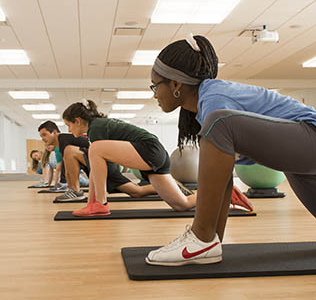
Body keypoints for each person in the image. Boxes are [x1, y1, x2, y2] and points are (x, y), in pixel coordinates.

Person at [145, 33, 316, 266]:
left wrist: (201, 236)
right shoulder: (206, 107)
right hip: (300, 157)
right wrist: (215, 239)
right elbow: (221, 175)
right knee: (219, 127)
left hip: (310, 136)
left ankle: (200, 239)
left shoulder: (214, 100)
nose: (154, 94)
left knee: (220, 122)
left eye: (156, 86)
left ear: (176, 85)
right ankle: (207, 243)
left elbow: (222, 134)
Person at [62, 100, 199, 216]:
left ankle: (100, 203)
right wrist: (89, 204)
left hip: (149, 149)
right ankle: (212, 197)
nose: (68, 130)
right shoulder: (98, 126)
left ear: (77, 121)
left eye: (69, 125)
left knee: (94, 149)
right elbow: (95, 169)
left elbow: (98, 167)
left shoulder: (96, 128)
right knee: (182, 204)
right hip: (156, 154)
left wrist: (97, 202)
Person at [56, 143, 161, 202]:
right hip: (101, 164)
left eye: (44, 135)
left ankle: (75, 191)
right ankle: (166, 187)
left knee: (137, 191)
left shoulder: (65, 140)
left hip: (105, 165)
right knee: (136, 192)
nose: (69, 129)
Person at [38, 120, 89, 192]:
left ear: (54, 132)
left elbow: (64, 165)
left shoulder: (63, 139)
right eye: (41, 136)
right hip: (91, 166)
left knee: (68, 154)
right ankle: (71, 188)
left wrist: (62, 182)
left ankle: (73, 189)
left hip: (99, 166)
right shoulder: (62, 141)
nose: (42, 139)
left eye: (44, 135)